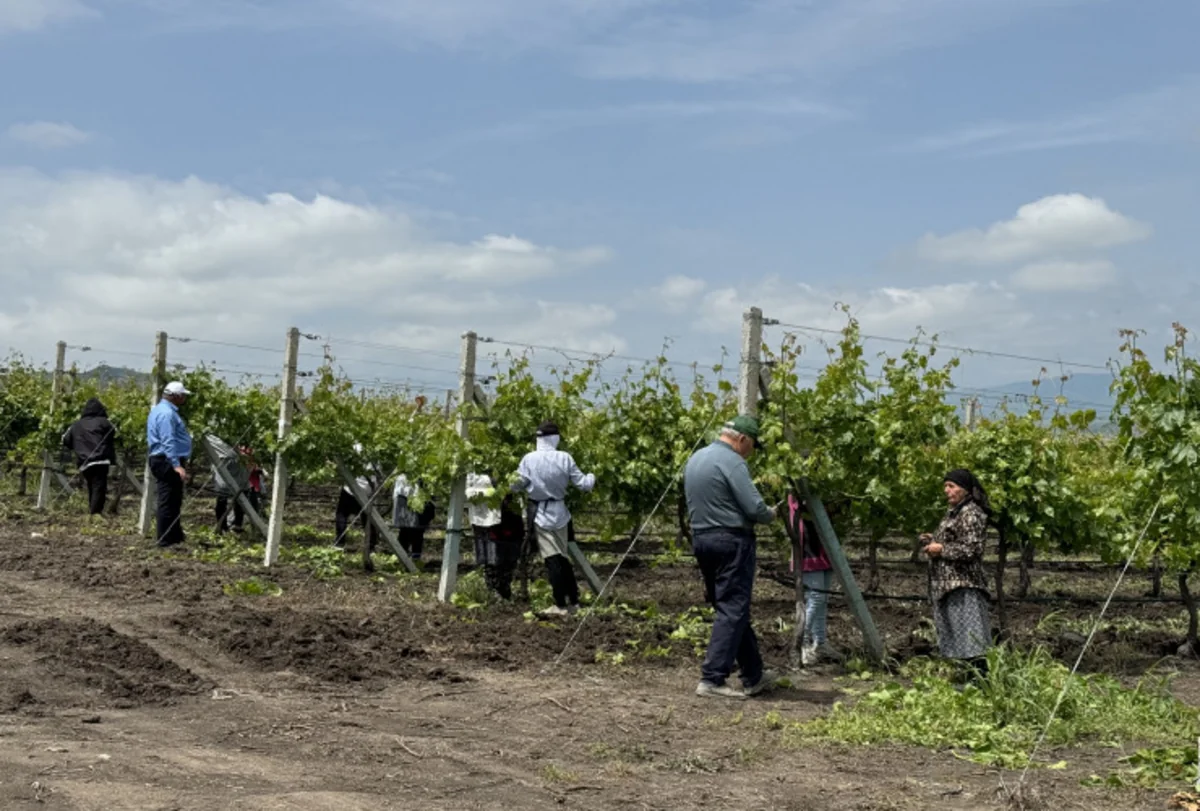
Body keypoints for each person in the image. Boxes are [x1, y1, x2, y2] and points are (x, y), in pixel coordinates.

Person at [683, 415, 779, 700]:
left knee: (729, 607)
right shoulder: (733, 462)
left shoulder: (697, 458)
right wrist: (771, 513)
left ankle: (754, 675)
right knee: (733, 608)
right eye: (751, 446)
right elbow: (753, 507)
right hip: (731, 540)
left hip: (702, 539)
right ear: (742, 439)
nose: (750, 452)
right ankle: (712, 678)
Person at [511, 421, 595, 617]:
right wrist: (592, 476)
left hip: (540, 513)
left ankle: (560, 604)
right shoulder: (565, 458)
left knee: (552, 559)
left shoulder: (529, 459)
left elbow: (516, 485)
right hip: (560, 511)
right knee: (562, 556)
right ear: (555, 438)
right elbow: (583, 484)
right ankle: (573, 601)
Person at [921, 468, 993, 678]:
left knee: (971, 640)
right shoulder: (956, 511)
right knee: (960, 638)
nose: (946, 490)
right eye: (945, 486)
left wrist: (941, 549)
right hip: (950, 585)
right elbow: (955, 540)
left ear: (966, 490)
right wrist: (932, 540)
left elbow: (972, 549)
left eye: (951, 486)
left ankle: (980, 683)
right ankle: (970, 682)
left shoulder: (971, 513)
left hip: (964, 585)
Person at [784, 494, 843, 666]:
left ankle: (820, 643)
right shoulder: (798, 487)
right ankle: (801, 643)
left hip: (823, 542)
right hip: (809, 545)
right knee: (816, 597)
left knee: (822, 598)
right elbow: (805, 507)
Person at [147, 381, 192, 548]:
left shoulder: (159, 410)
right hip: (166, 460)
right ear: (176, 396)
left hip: (164, 459)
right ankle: (165, 540)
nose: (185, 398)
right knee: (167, 500)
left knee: (174, 499)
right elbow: (168, 440)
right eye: (183, 395)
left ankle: (174, 536)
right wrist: (176, 465)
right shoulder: (166, 414)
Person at [467, 472, 522, 599]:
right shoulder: (473, 469)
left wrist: (508, 489)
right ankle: (493, 590)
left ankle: (506, 589)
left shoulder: (508, 465)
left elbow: (520, 485)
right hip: (487, 518)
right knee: (491, 556)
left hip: (509, 515)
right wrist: (488, 493)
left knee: (510, 556)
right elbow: (468, 493)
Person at [62, 398, 117, 517]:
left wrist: (77, 447)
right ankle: (95, 513)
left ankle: (93, 511)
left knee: (91, 485)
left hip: (84, 461)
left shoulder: (76, 425)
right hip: (101, 460)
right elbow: (115, 433)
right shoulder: (104, 422)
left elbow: (65, 440)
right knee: (99, 486)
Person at [208, 434, 250, 535]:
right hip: (225, 477)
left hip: (238, 477)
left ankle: (236, 526)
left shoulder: (222, 444)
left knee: (239, 502)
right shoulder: (219, 444)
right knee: (223, 501)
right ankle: (223, 527)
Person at [392, 473, 433, 564]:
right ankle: (402, 558)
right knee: (405, 531)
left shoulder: (424, 473)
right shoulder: (402, 474)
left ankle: (414, 559)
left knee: (417, 531)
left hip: (419, 500)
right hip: (404, 500)